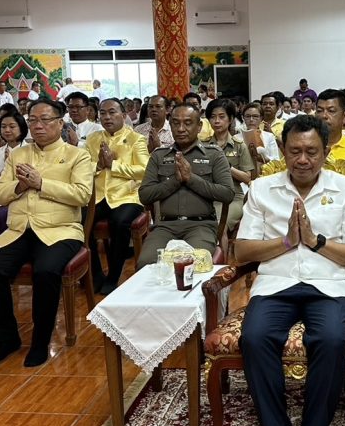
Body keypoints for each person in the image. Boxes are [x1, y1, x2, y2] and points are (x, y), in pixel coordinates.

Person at [236, 114, 345, 426]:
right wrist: (285, 242)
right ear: (282, 150)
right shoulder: (262, 189)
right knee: (254, 338)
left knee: (330, 339)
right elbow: (242, 250)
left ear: (326, 152)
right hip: (276, 284)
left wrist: (315, 241)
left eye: (312, 151)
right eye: (294, 151)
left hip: (329, 285)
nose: (303, 159)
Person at [0, 99, 94, 367]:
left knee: (45, 271)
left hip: (60, 231)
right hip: (20, 229)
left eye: (45, 119)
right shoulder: (18, 154)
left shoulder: (77, 155)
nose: (38, 125)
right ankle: (7, 339)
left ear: (60, 123)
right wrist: (20, 186)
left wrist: (41, 183)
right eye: (33, 120)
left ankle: (40, 342)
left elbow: (82, 195)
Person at [137, 104, 236, 264]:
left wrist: (191, 179)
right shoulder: (159, 156)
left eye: (188, 123)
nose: (181, 129)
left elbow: (227, 194)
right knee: (146, 264)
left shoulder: (214, 155)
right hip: (165, 226)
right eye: (176, 123)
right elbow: (145, 195)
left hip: (201, 225)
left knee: (193, 264)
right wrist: (175, 181)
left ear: (199, 126)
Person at [85, 98, 149, 293]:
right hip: (98, 196)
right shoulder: (92, 139)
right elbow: (83, 168)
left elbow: (144, 170)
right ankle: (96, 274)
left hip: (127, 196)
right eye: (103, 113)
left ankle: (113, 276)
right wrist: (98, 164)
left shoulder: (135, 139)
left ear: (124, 115)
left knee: (119, 222)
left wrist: (113, 165)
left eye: (112, 112)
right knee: (78, 221)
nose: (107, 117)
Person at [204, 98, 256, 232]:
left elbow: (247, 178)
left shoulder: (239, 146)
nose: (217, 121)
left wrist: (227, 167)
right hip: (206, 196)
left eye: (222, 117)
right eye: (213, 117)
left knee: (217, 224)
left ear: (231, 119)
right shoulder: (203, 146)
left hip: (232, 198)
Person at [242, 101, 280, 166]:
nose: (251, 119)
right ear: (243, 118)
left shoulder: (269, 136)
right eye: (248, 116)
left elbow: (276, 160)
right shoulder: (236, 138)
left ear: (261, 118)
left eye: (255, 116)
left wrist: (263, 158)